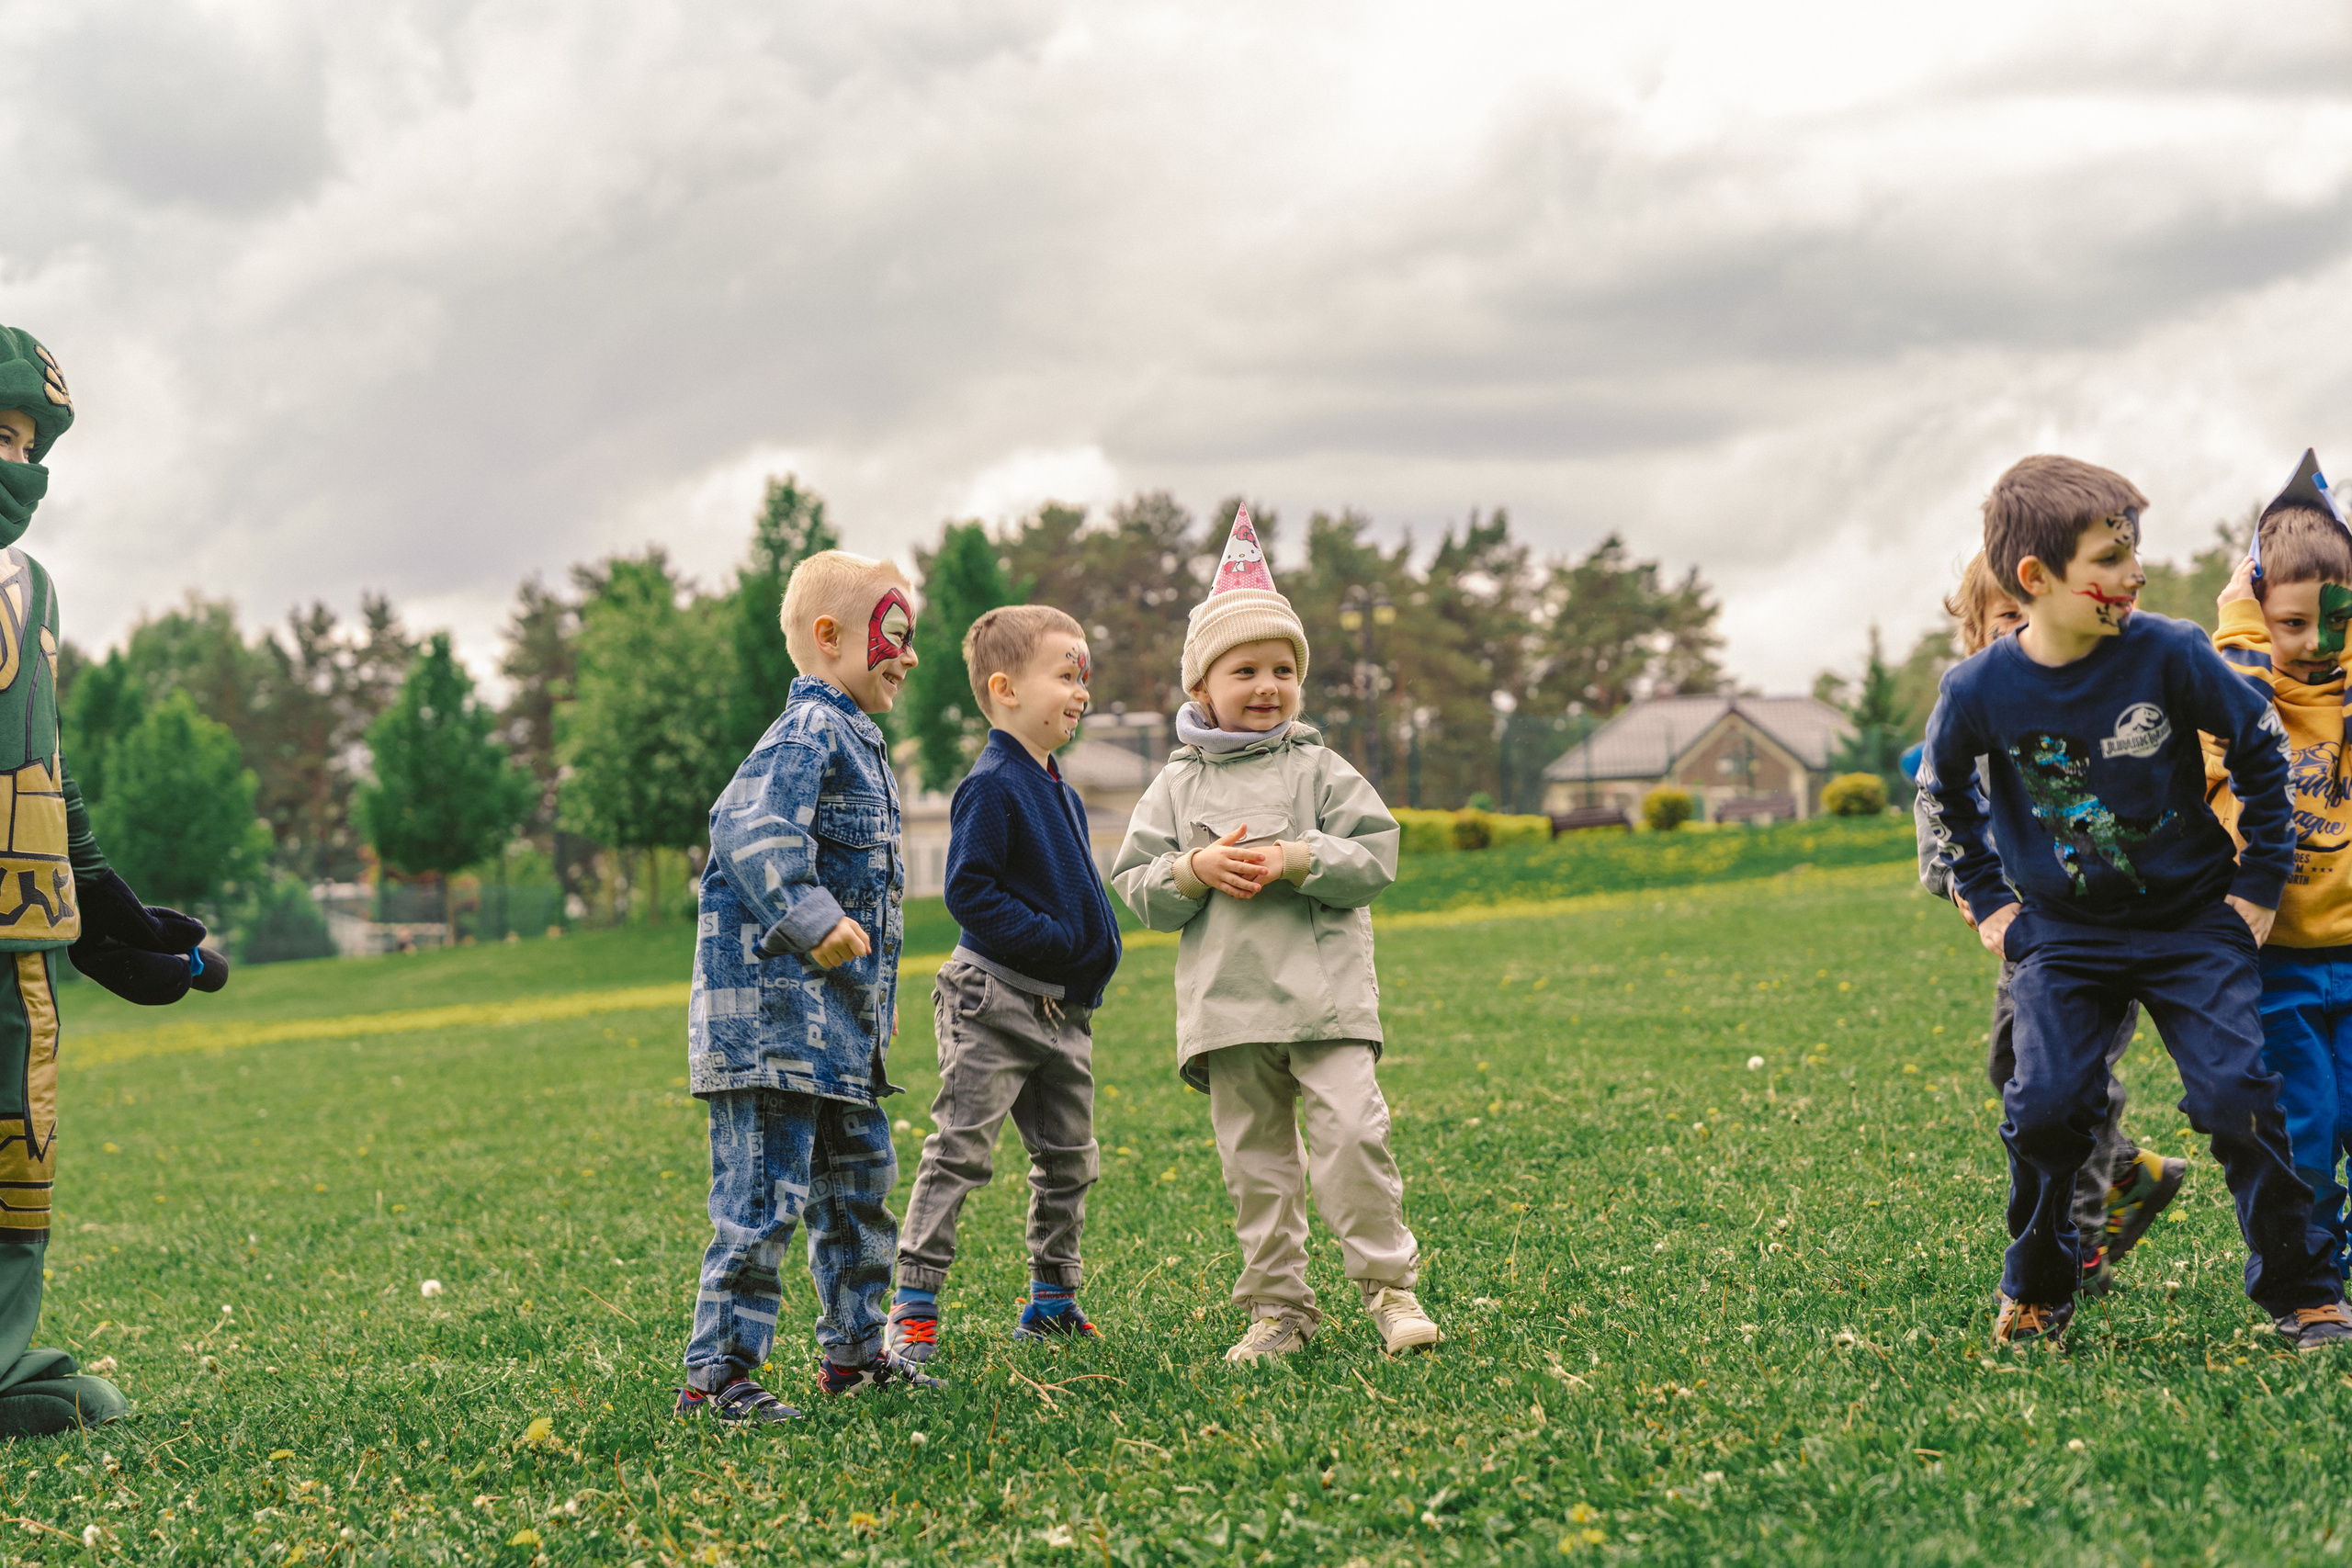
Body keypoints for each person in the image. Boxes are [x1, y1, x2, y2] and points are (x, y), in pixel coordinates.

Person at [1919, 454, 2348, 1351]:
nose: (2134, 573)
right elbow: (1945, 793)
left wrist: (2258, 885)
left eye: (2133, 550)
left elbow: (2260, 750)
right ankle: (2041, 1287)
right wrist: (1989, 899)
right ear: (2035, 580)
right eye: (2109, 559)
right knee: (2045, 1106)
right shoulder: (1977, 690)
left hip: (2193, 926)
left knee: (2240, 1097)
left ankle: (2302, 1289)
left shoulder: (2171, 653)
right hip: (2063, 938)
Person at [1110, 506, 1440, 1361]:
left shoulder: (1322, 768)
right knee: (1257, 1168)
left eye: (1283, 669)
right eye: (1245, 669)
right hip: (1231, 1012)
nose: (1267, 686)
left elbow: (1377, 854)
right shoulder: (1175, 788)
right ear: (1200, 689)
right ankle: (1278, 1309)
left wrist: (1298, 856)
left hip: (1326, 1003)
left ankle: (1388, 1288)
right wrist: (1195, 870)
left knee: (1354, 1141)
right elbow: (1136, 886)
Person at [0, 326, 230, 1437]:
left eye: (21, 441)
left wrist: (100, 904)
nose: (12, 463)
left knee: (18, 1136)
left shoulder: (33, 590)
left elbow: (48, 762)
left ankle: (1, 1361)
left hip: (21, 934)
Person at [675, 548, 939, 1424]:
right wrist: (812, 915)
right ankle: (717, 1375)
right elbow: (747, 829)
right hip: (769, 1033)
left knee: (858, 1194)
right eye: (892, 633)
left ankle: (857, 1352)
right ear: (830, 638)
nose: (906, 654)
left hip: (841, 1040)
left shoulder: (861, 742)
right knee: (760, 1206)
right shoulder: (806, 735)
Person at [1912, 553, 2183, 1297]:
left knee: (2068, 1082)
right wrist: (1967, 887)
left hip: (2101, 929)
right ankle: (2128, 1166)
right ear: (1974, 633)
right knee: (2014, 1073)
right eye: (2007, 618)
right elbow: (1939, 819)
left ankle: (2083, 1239)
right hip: (2025, 943)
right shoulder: (1969, 715)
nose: (2024, 633)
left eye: (2038, 617)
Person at [886, 605, 1122, 1364]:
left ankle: (1052, 1299)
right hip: (992, 1001)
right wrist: (1055, 941)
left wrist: (1087, 960)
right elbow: (971, 891)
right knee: (960, 1151)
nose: (1081, 690)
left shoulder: (1061, 790)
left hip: (1062, 1012)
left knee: (1069, 1158)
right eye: (1065, 673)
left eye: (1085, 675)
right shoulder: (991, 785)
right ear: (1005, 687)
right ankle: (913, 1307)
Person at [2202, 450, 2352, 1279]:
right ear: (2259, 619)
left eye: (2337, 620)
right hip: (2277, 966)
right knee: (2305, 1129)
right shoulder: (2235, 700)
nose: (2318, 642)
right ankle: (2311, 1284)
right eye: (2292, 623)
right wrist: (2241, 634)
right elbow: (2218, 755)